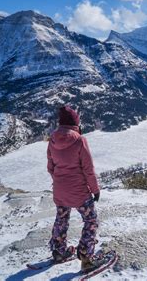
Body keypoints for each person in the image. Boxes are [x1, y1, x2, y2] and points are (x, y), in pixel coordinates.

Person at [47, 106, 103, 272]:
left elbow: (51, 167)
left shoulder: (52, 139)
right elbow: (88, 169)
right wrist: (95, 190)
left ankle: (58, 251)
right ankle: (86, 257)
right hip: (79, 192)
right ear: (75, 123)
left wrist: (60, 182)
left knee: (61, 219)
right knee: (91, 220)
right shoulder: (80, 140)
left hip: (59, 190)